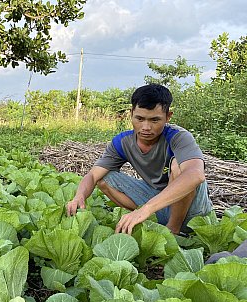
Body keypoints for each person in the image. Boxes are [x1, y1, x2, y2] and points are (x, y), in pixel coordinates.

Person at [66, 84, 213, 235]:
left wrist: (146, 208)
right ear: (131, 114)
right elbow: (92, 175)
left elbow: (196, 174)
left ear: (168, 116)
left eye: (155, 120)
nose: (146, 127)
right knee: (104, 177)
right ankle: (155, 222)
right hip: (159, 206)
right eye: (140, 118)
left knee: (178, 166)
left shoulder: (178, 137)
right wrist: (79, 196)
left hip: (193, 212)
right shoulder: (123, 143)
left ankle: (173, 230)